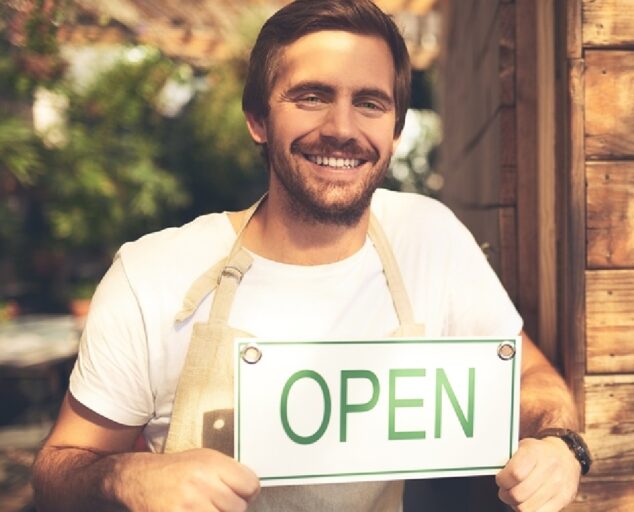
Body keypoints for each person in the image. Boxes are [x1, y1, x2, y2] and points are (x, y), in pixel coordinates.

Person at [30, 0, 589, 510]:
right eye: (312, 96)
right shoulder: (151, 276)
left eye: (369, 103)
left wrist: (560, 445)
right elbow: (56, 471)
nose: (341, 129)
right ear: (258, 120)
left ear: (394, 131)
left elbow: (529, 378)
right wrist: (125, 477)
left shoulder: (429, 238)